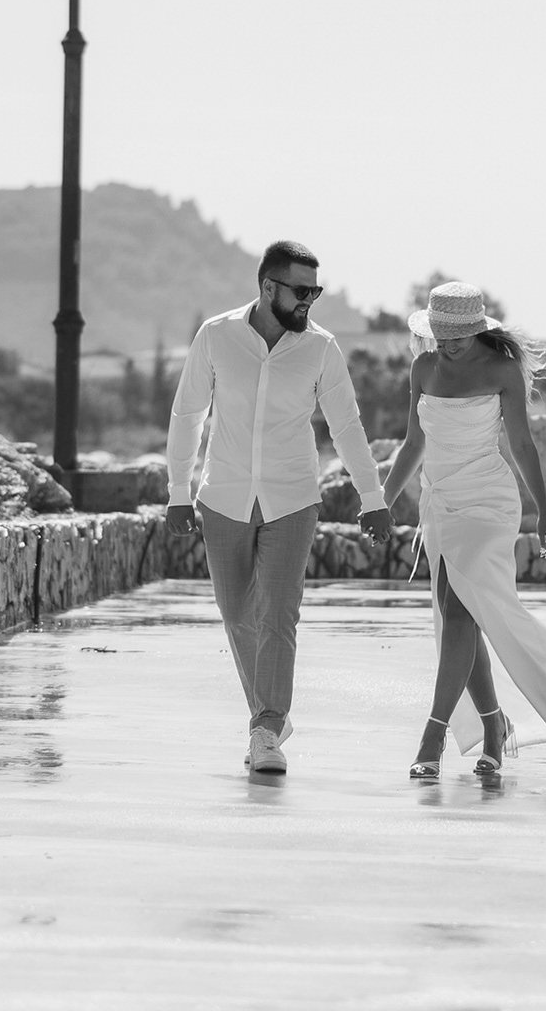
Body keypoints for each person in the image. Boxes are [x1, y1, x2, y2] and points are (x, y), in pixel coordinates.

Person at [381, 281, 546, 778]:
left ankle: (433, 736)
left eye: (458, 336)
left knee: (461, 612)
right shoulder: (424, 368)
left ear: (478, 329)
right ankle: (493, 727)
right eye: (442, 336)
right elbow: (414, 443)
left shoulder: (502, 369)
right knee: (463, 616)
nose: (449, 345)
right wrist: (381, 501)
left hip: (488, 503)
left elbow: (522, 444)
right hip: (441, 504)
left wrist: (543, 510)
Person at [166, 240, 392, 776]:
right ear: (269, 287)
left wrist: (373, 496)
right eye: (300, 290)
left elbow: (346, 426)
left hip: (292, 498)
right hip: (223, 496)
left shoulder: (321, 348)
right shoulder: (216, 336)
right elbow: (188, 414)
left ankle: (267, 728)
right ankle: (266, 719)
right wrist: (178, 490)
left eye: (316, 291)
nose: (309, 300)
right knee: (237, 614)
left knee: (279, 615)